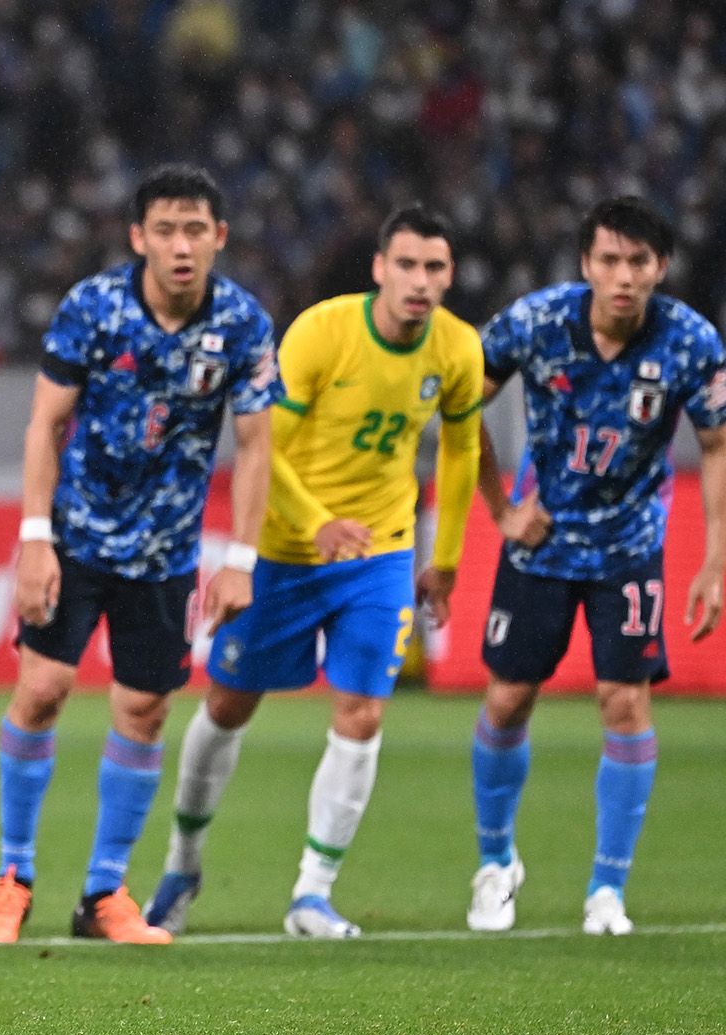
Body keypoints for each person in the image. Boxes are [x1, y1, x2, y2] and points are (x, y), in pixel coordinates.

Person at [142, 206, 484, 939]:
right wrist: (316, 523)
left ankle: (312, 893)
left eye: (434, 269)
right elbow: (267, 450)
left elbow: (461, 452)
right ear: (379, 269)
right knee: (230, 704)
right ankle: (183, 862)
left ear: (449, 275)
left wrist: (445, 558)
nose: (420, 283)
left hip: (381, 553)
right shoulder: (321, 333)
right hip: (287, 549)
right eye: (407, 266)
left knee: (362, 713)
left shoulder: (458, 350)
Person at [0, 164, 277, 947]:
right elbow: (45, 426)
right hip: (74, 540)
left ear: (219, 239)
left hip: (167, 554)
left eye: (195, 230)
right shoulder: (93, 309)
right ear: (139, 237)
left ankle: (104, 894)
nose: (181, 245)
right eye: (165, 229)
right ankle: (12, 878)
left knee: (144, 709)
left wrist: (241, 555)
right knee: (43, 688)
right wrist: (34, 540)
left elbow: (255, 441)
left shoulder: (241, 325)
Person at [464, 196, 726, 936]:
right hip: (539, 544)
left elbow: (715, 446)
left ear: (661, 268)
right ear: (586, 265)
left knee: (625, 701)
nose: (623, 276)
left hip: (631, 549)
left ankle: (607, 889)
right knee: (509, 699)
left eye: (639, 262)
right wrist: (500, 508)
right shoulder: (537, 322)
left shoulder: (690, 343)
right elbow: (461, 405)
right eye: (609, 259)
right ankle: (495, 864)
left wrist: (715, 557)